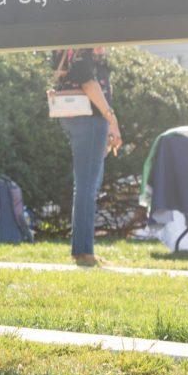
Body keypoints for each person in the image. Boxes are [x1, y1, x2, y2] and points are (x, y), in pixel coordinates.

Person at [50, 47, 121, 267]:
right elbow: (88, 83)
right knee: (87, 187)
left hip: (77, 116)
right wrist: (111, 118)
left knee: (86, 185)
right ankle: (83, 252)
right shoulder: (84, 46)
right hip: (89, 117)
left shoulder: (66, 45)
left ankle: (83, 249)